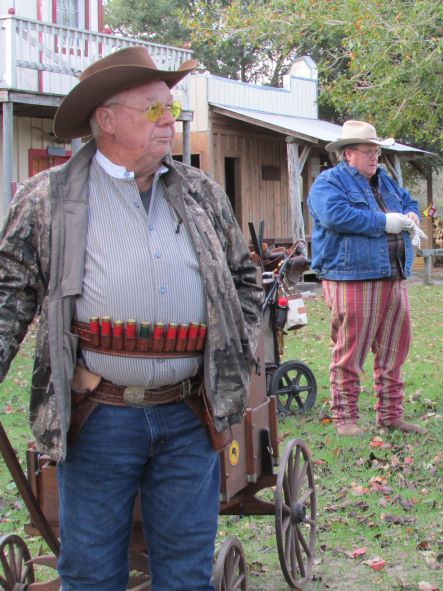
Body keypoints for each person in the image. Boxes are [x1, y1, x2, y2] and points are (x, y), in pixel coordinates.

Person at [0, 46, 263, 590]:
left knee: (186, 574)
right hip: (99, 418)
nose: (169, 120)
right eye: (154, 109)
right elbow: (9, 291)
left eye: (172, 108)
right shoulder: (49, 198)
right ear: (107, 119)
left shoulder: (200, 192)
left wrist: (229, 352)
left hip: (189, 414)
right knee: (92, 573)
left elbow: (244, 277)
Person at [308, 120, 427, 437]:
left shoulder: (384, 181)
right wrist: (385, 222)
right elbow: (335, 216)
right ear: (348, 153)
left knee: (394, 349)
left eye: (377, 151)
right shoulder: (328, 183)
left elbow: (408, 200)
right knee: (351, 350)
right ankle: (345, 419)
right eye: (368, 151)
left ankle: (390, 416)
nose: (375, 156)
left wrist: (411, 215)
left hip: (393, 274)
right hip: (352, 278)